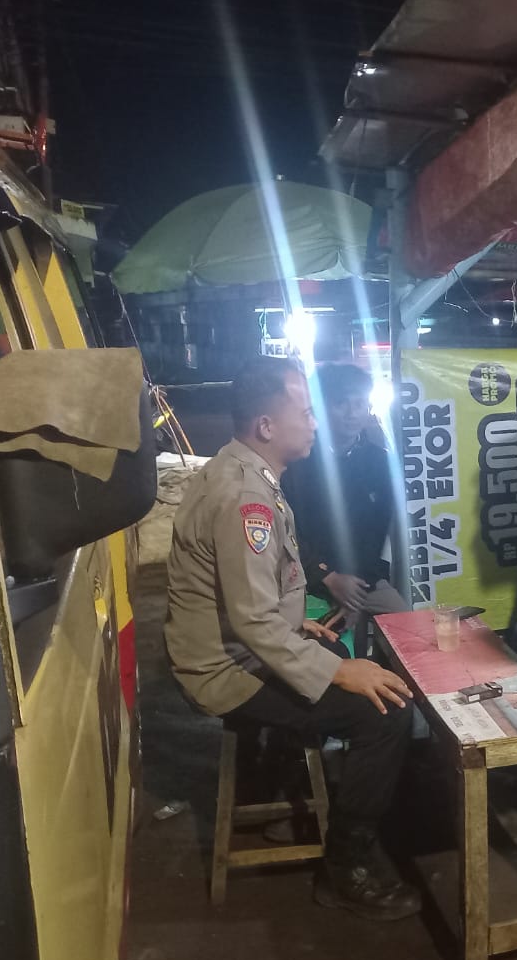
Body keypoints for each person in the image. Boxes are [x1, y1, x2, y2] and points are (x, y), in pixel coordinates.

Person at [164, 356, 422, 922]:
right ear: (266, 425)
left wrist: (299, 626)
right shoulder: (246, 498)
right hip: (226, 671)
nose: (314, 422)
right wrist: (339, 671)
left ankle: (302, 796)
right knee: (385, 712)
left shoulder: (245, 472)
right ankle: (347, 868)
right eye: (304, 412)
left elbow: (251, 597)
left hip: (236, 649)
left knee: (341, 658)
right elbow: (254, 622)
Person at [281, 362, 406, 647]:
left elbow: (375, 536)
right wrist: (328, 577)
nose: (352, 413)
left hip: (362, 580)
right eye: (341, 403)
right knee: (328, 644)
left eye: (359, 403)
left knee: (408, 627)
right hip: (307, 578)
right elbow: (288, 531)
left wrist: (354, 591)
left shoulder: (379, 461)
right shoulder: (298, 461)